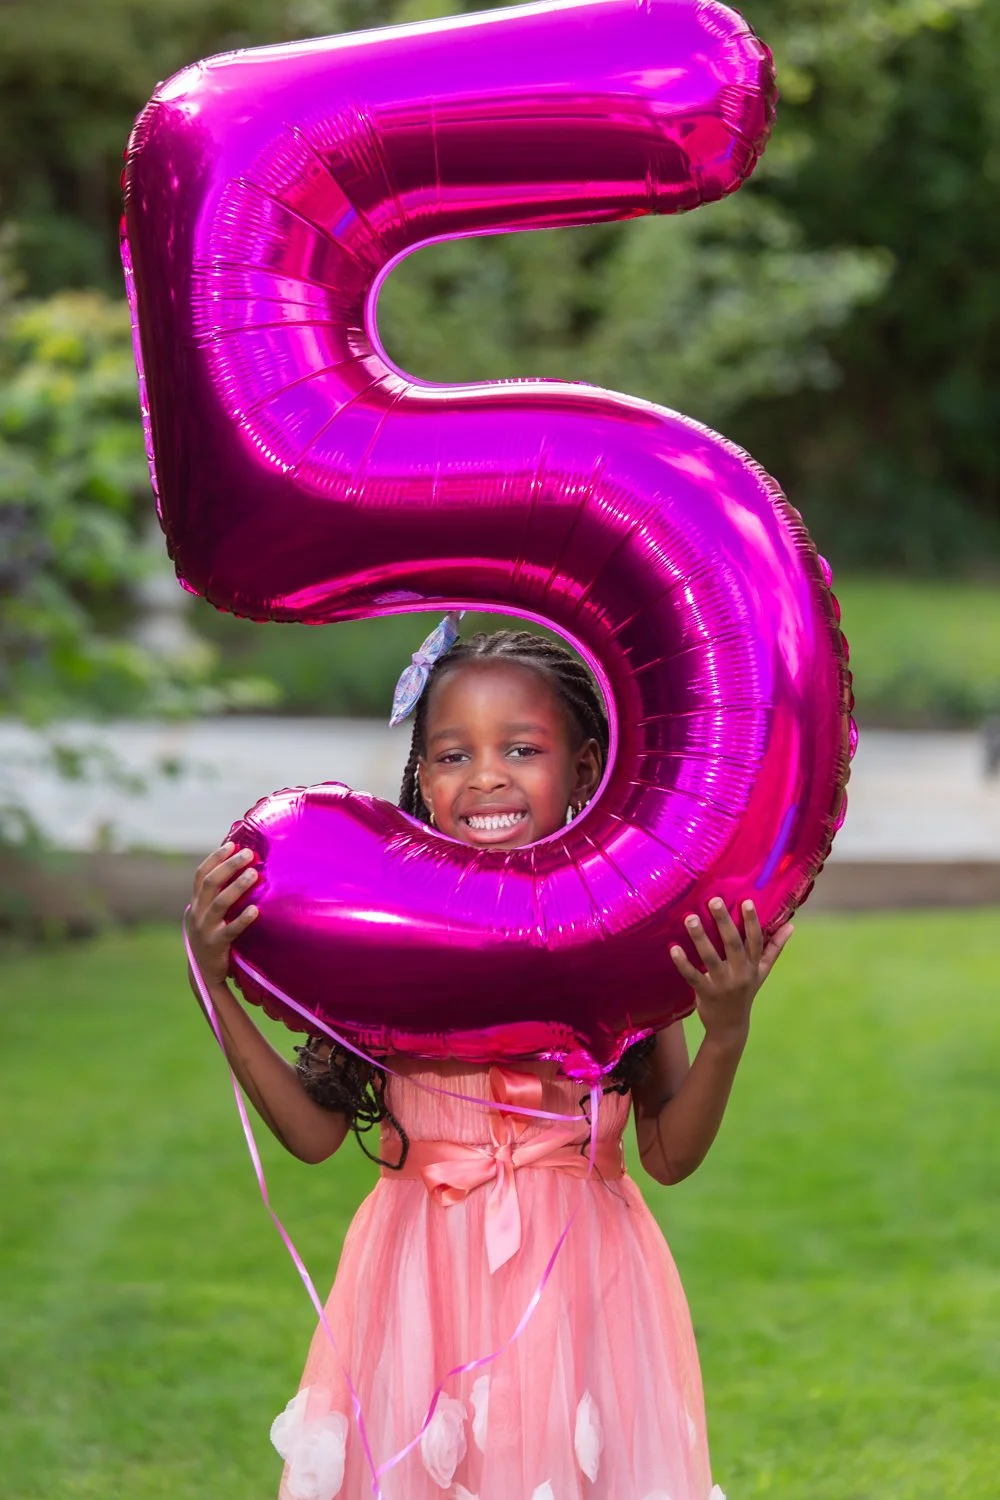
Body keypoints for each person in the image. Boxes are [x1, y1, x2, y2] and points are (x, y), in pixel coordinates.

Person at [186, 623, 794, 1500]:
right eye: (452, 754)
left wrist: (726, 1032)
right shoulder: (388, 938)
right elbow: (315, 1135)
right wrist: (216, 986)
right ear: (423, 780)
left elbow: (667, 1155)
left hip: (583, 1279)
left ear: (585, 768)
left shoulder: (621, 939)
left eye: (521, 748)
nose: (485, 778)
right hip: (416, 1279)